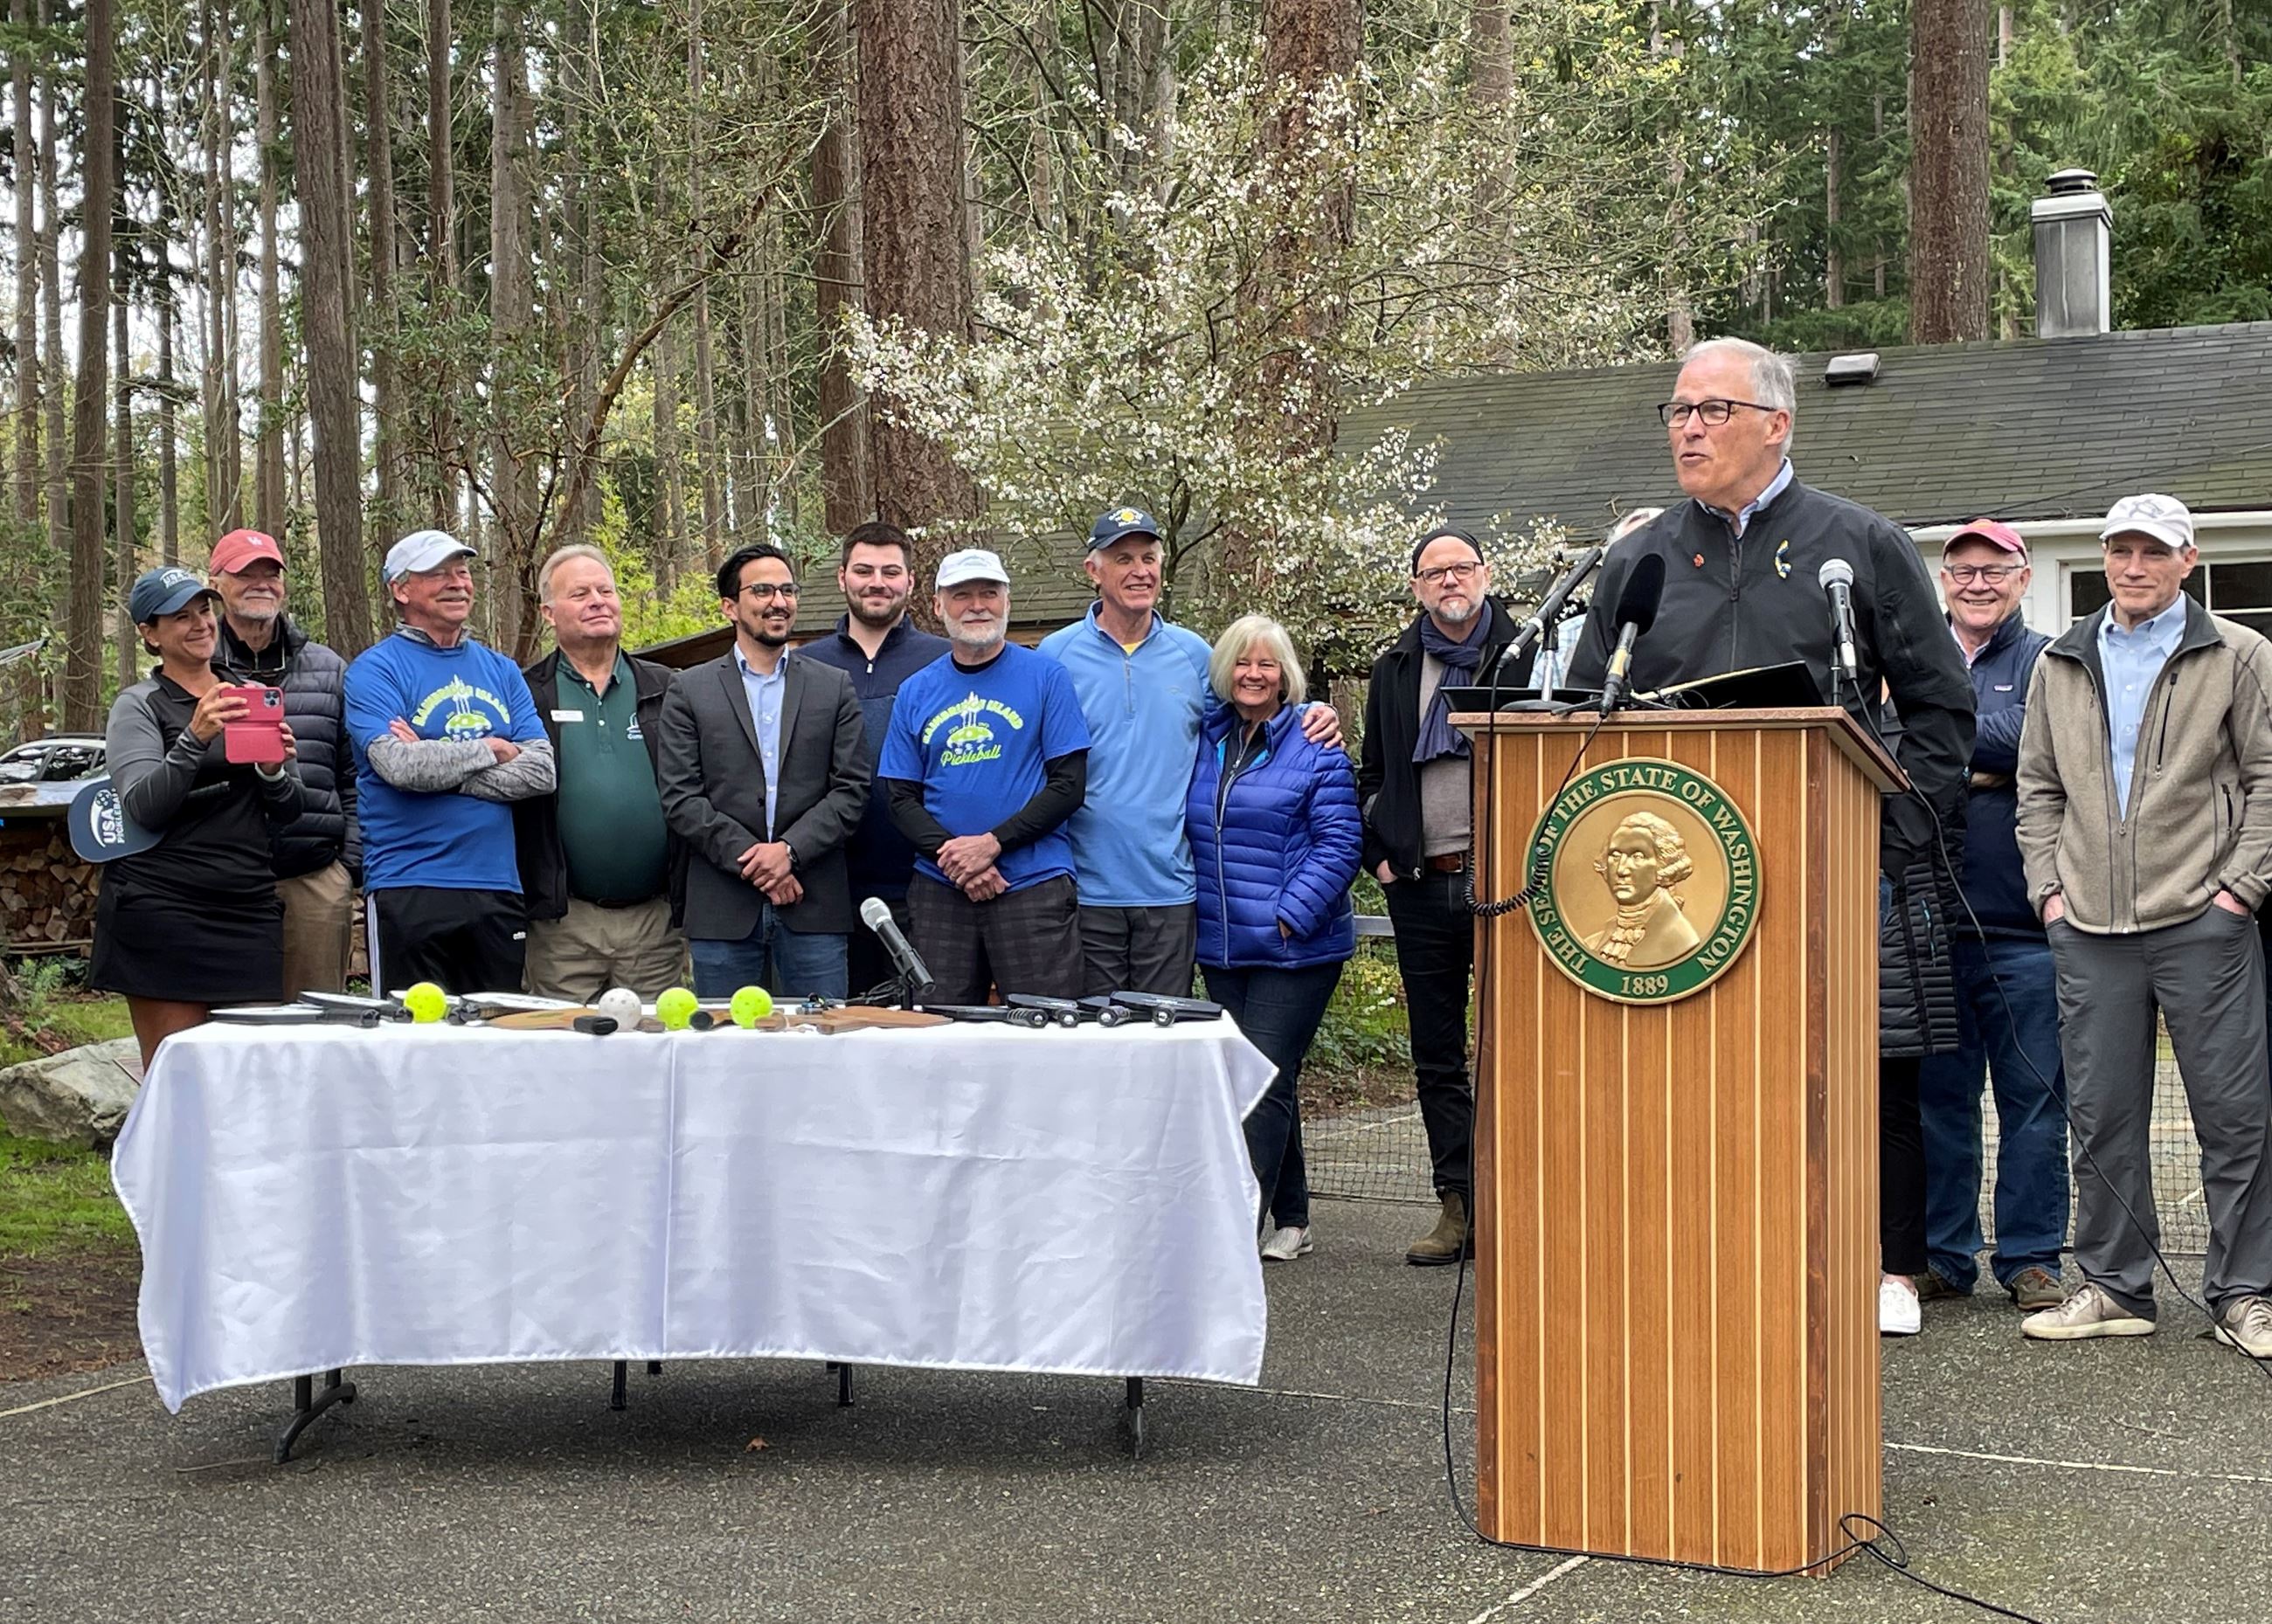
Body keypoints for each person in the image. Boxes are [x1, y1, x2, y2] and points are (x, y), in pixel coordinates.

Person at [1566, 337, 1976, 1337]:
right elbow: (1582, 708)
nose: (1689, 428)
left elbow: (1939, 708)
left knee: (1863, 1065)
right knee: (1691, 1069)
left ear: (1774, 424)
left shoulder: (1856, 545)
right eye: (1677, 411)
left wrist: (1884, 825)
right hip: (1682, 874)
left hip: (1828, 862)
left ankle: (1888, 1262)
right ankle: (1698, 1244)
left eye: (1711, 410)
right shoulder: (1639, 555)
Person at [2015, 493, 2272, 1358]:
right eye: (2119, 549)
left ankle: (2241, 1295)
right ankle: (2114, 1286)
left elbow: (2269, 776)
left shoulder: (2237, 655)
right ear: (2103, 558)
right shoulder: (2061, 658)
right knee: (2101, 1116)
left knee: (2234, 1117)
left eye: (2151, 551)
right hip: (2088, 925)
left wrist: (2239, 888)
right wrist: (2049, 891)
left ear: (2186, 560)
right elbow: (2037, 788)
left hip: (2203, 918)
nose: (2133, 565)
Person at [1036, 508, 1341, 999]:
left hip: (1172, 890)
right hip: (1085, 888)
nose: (1140, 571)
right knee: (1096, 1047)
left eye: (1149, 558)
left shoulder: (1194, 654)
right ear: (1093, 571)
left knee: (1164, 1046)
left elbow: (1255, 709)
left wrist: (1314, 711)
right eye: (1123, 559)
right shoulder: (1054, 655)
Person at [1915, 521, 2068, 1314]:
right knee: (1940, 1104)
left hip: (2027, 930)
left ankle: (2032, 1258)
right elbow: (1889, 747)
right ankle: (1946, 1255)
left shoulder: (2053, 660)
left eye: (1994, 569)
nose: (1977, 583)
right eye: (1962, 569)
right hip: (1929, 926)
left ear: (2022, 578)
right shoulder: (1908, 655)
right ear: (1943, 578)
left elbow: (2043, 744)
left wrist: (1951, 753)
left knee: (2035, 1102)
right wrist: (1981, 766)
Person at [1357, 525, 1521, 1266]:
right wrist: (1383, 858)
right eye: (1435, 572)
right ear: (1418, 588)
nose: (1450, 580)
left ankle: (1520, 1201)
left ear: (1485, 575)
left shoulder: (1527, 654)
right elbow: (1370, 775)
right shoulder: (1395, 668)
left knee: (1522, 1049)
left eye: (1462, 567)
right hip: (1423, 886)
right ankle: (1457, 1203)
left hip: (1512, 887)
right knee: (1437, 1057)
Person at [1188, 615, 1361, 1262]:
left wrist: (1290, 914)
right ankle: (1293, 1217)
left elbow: (1342, 842)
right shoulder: (1209, 740)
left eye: (1267, 664)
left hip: (1296, 948)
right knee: (1266, 1078)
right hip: (1225, 947)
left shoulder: (1315, 743)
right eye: (1242, 663)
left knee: (1257, 1082)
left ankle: (1237, 1224)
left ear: (1285, 674)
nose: (1254, 674)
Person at [92, 568, 309, 1066]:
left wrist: (274, 771)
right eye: (180, 617)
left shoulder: (248, 694)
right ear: (150, 634)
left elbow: (291, 809)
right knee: (179, 1076)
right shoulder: (139, 705)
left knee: (250, 1075)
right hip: (164, 907)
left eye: (204, 611)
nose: (200, 624)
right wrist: (193, 739)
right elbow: (144, 805)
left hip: (247, 906)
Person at [655, 543, 870, 1000]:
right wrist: (760, 862)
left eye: (787, 590)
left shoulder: (833, 687)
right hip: (722, 909)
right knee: (724, 1053)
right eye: (763, 590)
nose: (779, 601)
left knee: (819, 1050)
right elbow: (681, 797)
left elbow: (851, 791)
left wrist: (790, 852)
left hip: (814, 906)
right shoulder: (689, 689)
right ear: (730, 606)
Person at [343, 530, 556, 994]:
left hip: (498, 884)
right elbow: (398, 766)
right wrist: (494, 748)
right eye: (438, 573)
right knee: (409, 1043)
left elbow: (542, 772)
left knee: (494, 1042)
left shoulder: (501, 669)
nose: (457, 582)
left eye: (462, 571)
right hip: (408, 883)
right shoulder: (375, 670)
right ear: (401, 590)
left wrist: (435, 759)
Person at [878, 549, 1090, 1004]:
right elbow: (899, 796)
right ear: (938, 606)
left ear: (1007, 601)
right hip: (940, 890)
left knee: (1047, 1033)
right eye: (962, 595)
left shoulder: (1047, 677)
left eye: (989, 593)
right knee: (938, 1034)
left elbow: (1069, 785)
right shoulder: (916, 691)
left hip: (1032, 886)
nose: (977, 605)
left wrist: (992, 845)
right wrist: (957, 861)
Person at [513, 544, 687, 1001]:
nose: (597, 600)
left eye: (605, 590)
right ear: (549, 614)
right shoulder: (526, 694)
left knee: (658, 1054)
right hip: (563, 924)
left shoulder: (668, 689)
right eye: (580, 593)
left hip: (656, 921)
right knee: (560, 1058)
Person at [794, 521, 950, 996]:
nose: (877, 582)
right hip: (824, 885)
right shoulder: (806, 664)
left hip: (924, 881)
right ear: (842, 578)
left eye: (890, 571)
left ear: (911, 581)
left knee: (921, 1024)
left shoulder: (944, 661)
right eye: (863, 570)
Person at [207, 529, 357, 998]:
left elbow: (353, 775)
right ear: (216, 584)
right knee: (229, 1030)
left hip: (313, 878)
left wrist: (347, 868)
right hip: (223, 883)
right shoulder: (198, 667)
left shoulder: (328, 667)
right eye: (244, 573)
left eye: (270, 573)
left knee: (315, 1032)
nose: (261, 583)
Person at [1582, 812, 1702, 966]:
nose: (1621, 870)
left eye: (1637, 857)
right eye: (1615, 856)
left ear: (1664, 864)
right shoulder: (1593, 943)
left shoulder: (1681, 940)